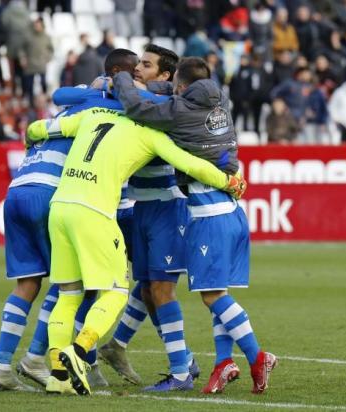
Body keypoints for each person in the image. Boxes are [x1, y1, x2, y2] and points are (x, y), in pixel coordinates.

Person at [24, 94, 245, 398]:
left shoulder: (93, 117)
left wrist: (29, 136)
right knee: (115, 292)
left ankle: (58, 375)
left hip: (59, 209)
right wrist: (230, 182)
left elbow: (40, 128)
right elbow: (193, 164)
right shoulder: (149, 134)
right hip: (94, 212)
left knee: (68, 294)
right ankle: (78, 350)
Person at [112, 56, 277, 395]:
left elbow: (136, 107)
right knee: (218, 292)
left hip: (207, 217)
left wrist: (123, 80)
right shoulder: (220, 103)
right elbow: (171, 94)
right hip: (232, 212)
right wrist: (158, 87)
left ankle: (257, 356)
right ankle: (222, 362)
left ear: (181, 86)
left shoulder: (181, 111)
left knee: (212, 296)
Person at [0, 49, 143, 393]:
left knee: (27, 284)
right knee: (67, 285)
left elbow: (59, 95)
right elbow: (143, 105)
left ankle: (1, 367)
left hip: (18, 188)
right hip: (51, 191)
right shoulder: (113, 105)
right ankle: (39, 359)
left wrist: (95, 85)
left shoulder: (77, 102)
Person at [97, 45, 200, 389]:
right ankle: (177, 358)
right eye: (137, 63)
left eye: (145, 64)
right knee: (148, 289)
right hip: (140, 207)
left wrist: (123, 85)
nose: (136, 68)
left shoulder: (167, 104)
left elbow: (155, 95)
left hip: (167, 208)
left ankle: (181, 372)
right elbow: (64, 94)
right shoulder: (138, 97)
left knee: (161, 288)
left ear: (166, 75)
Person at [25, 18, 53, 105]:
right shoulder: (29, 36)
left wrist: (47, 58)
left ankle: (44, 101)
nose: (37, 27)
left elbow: (51, 49)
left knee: (43, 83)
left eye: (38, 25)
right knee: (29, 85)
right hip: (30, 64)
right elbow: (22, 49)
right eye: (35, 25)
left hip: (41, 64)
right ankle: (31, 102)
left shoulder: (46, 37)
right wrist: (23, 58)